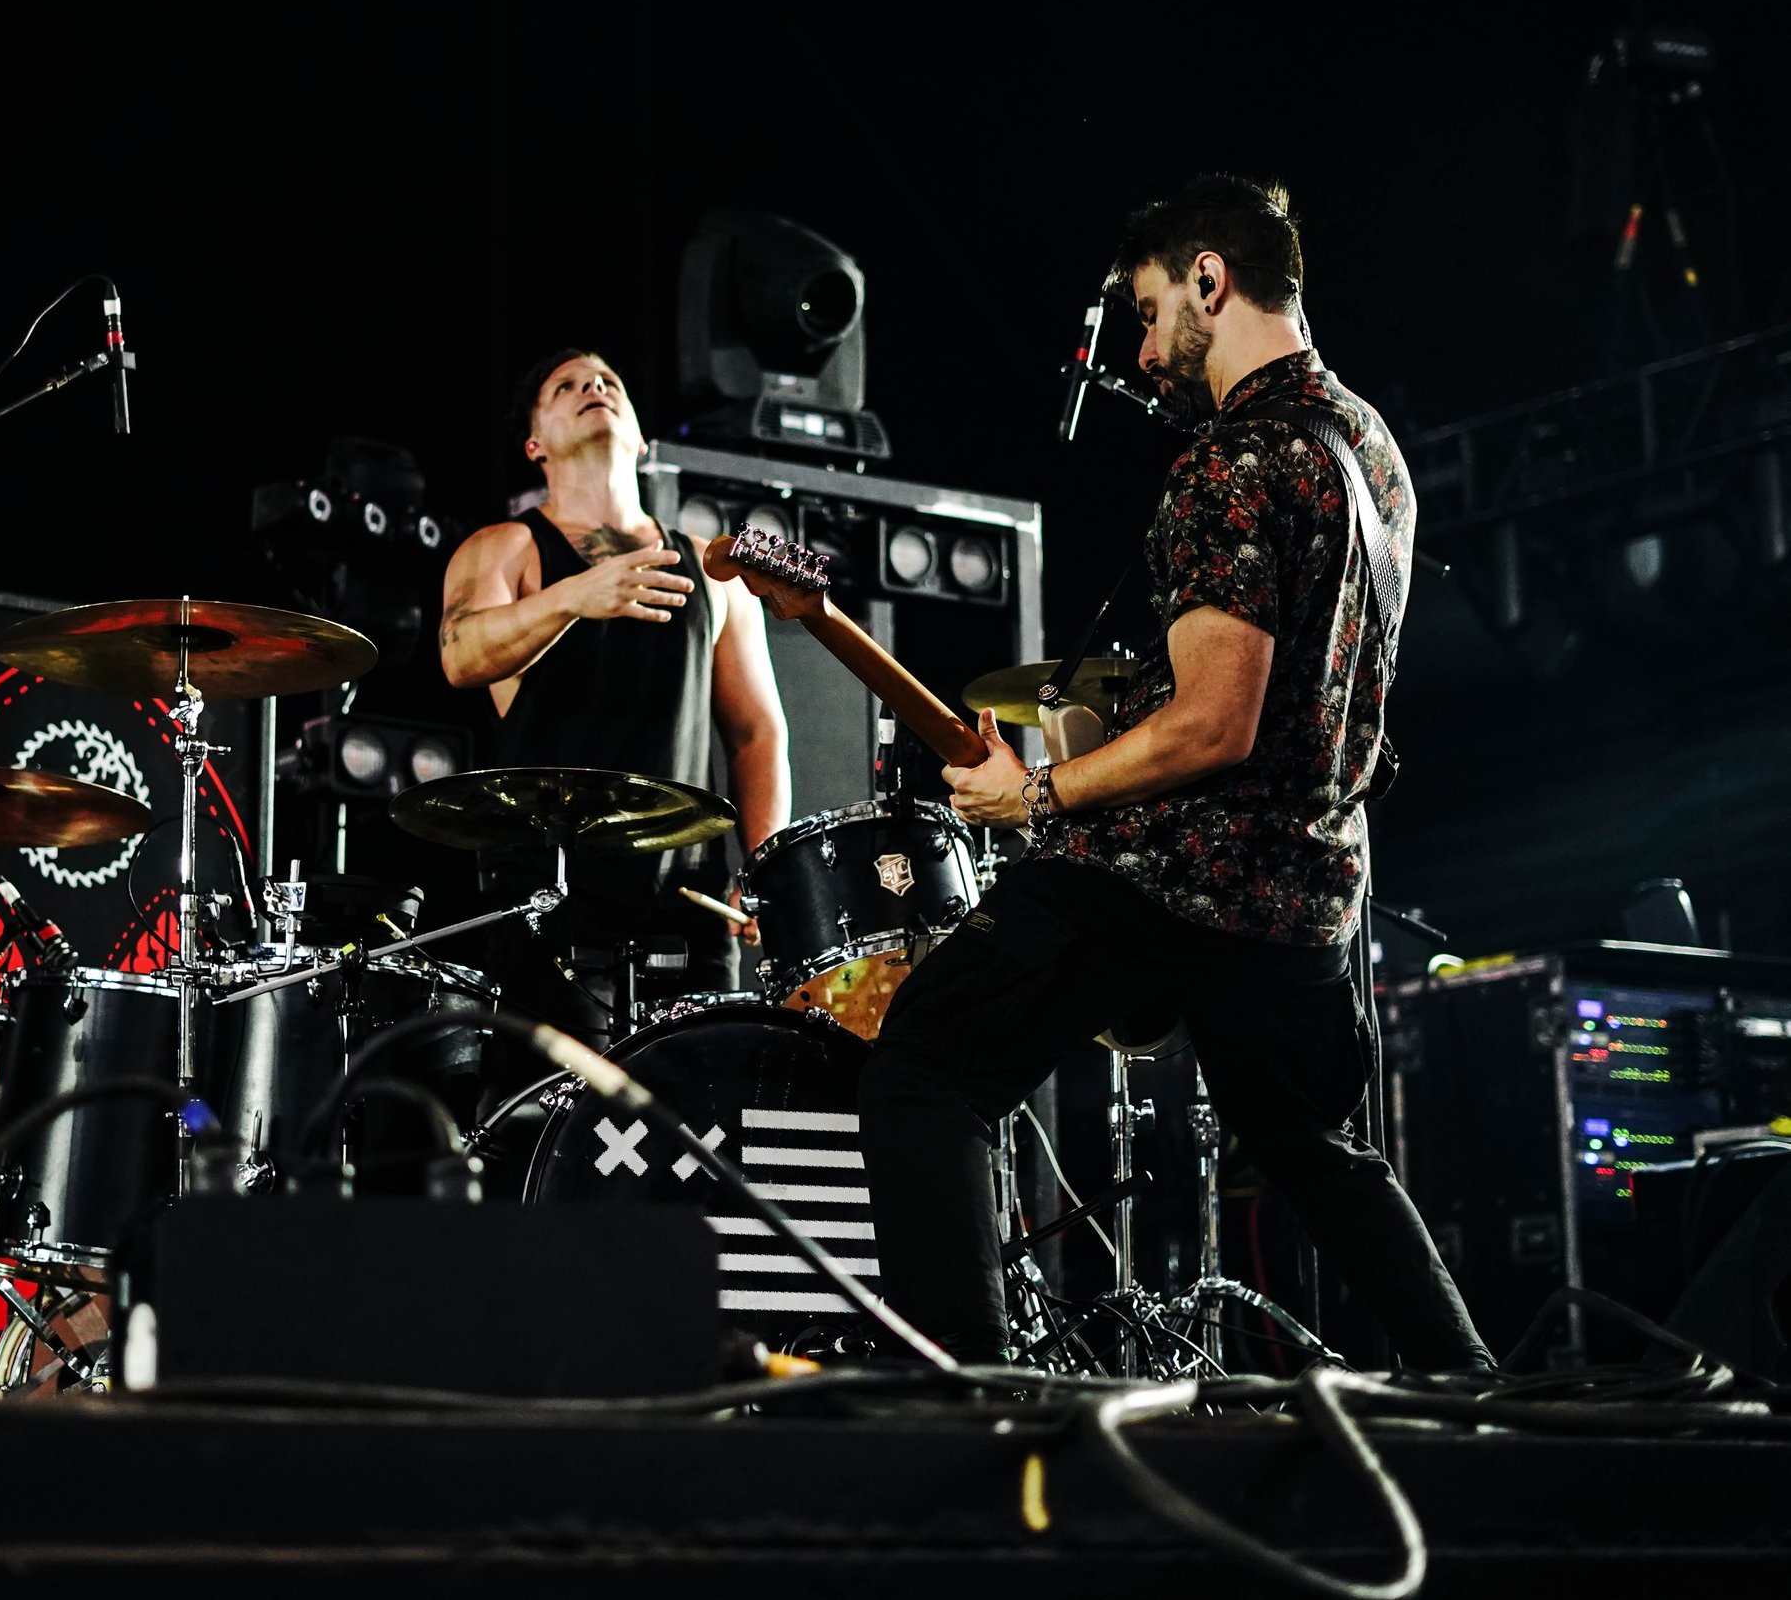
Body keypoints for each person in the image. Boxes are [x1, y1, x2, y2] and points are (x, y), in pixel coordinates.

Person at [857, 175, 1492, 1369]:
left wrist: (1036, 794)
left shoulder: (1235, 460)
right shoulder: (1370, 448)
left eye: (1150, 313)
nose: (1146, 350)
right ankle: (1482, 1405)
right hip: (1306, 891)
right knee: (1313, 1148)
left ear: (1211, 279)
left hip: (1169, 874)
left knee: (924, 1073)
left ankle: (967, 1421)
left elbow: (1214, 725)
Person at [439, 348, 790, 1074]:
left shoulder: (708, 565)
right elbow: (462, 655)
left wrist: (767, 868)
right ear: (534, 443)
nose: (592, 387)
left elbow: (756, 731)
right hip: (551, 888)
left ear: (638, 433)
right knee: (555, 1131)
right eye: (565, 385)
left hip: (684, 888)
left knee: (698, 1121)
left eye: (608, 382)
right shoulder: (505, 548)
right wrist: (575, 595)